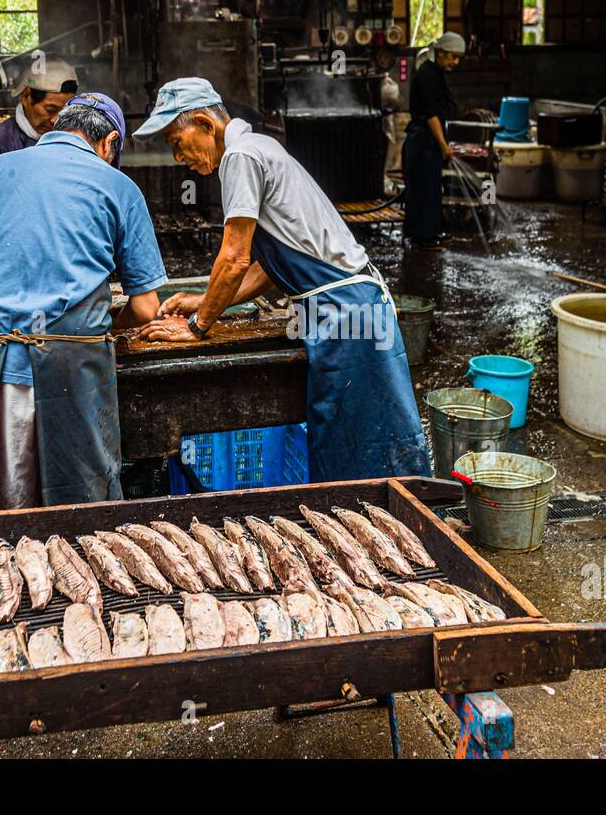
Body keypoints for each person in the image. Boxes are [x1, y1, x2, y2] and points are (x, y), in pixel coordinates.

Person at [132, 77, 431, 482]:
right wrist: (204, 300)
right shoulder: (258, 147)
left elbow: (235, 257)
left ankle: (401, 526)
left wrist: (198, 327)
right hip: (350, 308)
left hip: (350, 314)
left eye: (176, 140)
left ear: (204, 124)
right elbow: (265, 267)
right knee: (351, 444)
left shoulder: (240, 157)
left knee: (368, 449)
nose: (177, 155)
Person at [0, 93, 166, 511]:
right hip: (75, 370)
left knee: (4, 507)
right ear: (108, 143)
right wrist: (108, 319)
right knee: (81, 512)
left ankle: (5, 573)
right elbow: (146, 308)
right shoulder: (120, 187)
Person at [0, 55, 79, 188]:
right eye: (50, 109)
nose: (56, 120)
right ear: (26, 96)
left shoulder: (74, 139)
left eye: (64, 111)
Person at [401, 32, 465, 251]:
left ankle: (432, 232)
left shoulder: (435, 72)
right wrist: (443, 145)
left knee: (432, 187)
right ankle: (422, 238)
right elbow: (430, 114)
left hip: (428, 139)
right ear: (440, 52)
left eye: (458, 58)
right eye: (453, 57)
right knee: (423, 188)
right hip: (422, 139)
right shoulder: (427, 74)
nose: (455, 62)